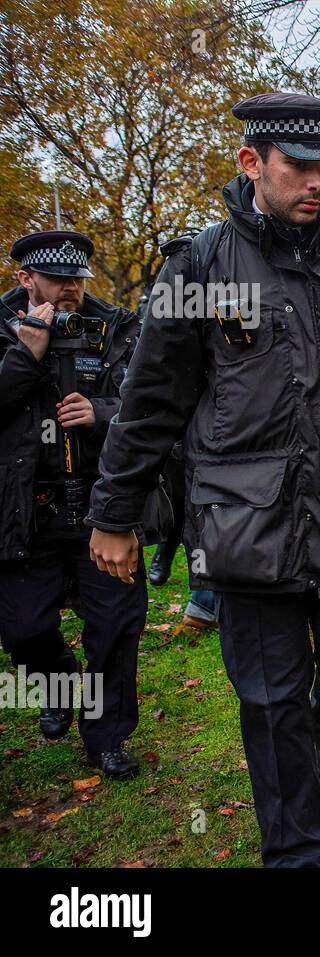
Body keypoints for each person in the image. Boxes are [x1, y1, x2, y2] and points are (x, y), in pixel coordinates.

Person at [86, 93, 320, 867]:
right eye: (299, 166)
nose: (317, 182)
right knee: (268, 699)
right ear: (253, 163)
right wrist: (115, 510)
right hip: (251, 529)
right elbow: (152, 400)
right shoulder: (201, 267)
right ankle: (294, 852)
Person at [0, 230, 165, 779]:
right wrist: (26, 355)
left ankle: (106, 738)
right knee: (23, 629)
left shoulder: (118, 328)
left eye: (76, 279)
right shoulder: (2, 327)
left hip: (102, 505)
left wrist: (101, 412)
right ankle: (57, 681)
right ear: (26, 279)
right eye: (56, 279)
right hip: (23, 512)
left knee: (116, 628)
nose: (69, 289)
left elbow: (153, 402)